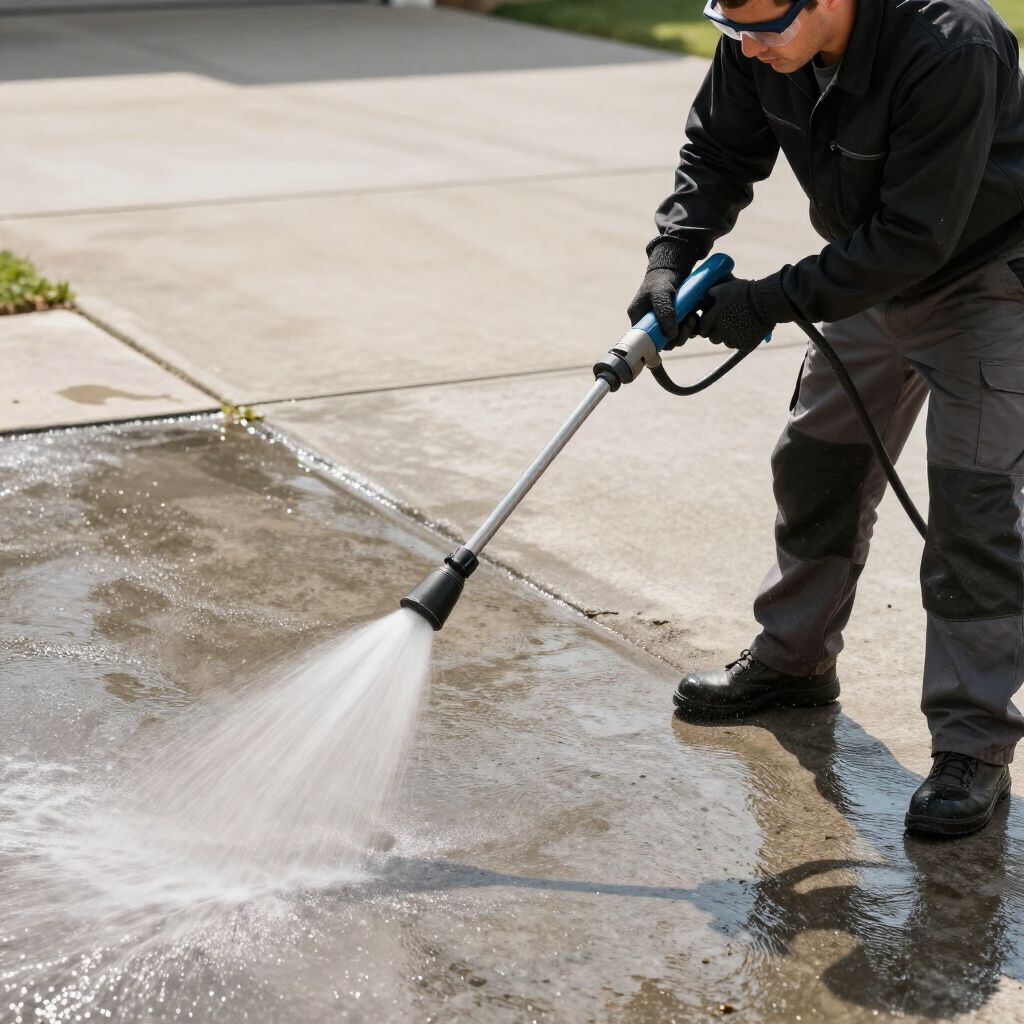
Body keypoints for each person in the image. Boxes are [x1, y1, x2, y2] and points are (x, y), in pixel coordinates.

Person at [628, 0, 1024, 837]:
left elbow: (918, 235)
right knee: (815, 461)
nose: (748, 44)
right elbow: (718, 150)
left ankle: (973, 747)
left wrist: (768, 303)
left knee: (972, 510)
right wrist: (672, 258)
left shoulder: (953, 46)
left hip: (982, 279)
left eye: (766, 25)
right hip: (868, 272)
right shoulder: (756, 34)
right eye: (730, 23)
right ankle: (794, 662)